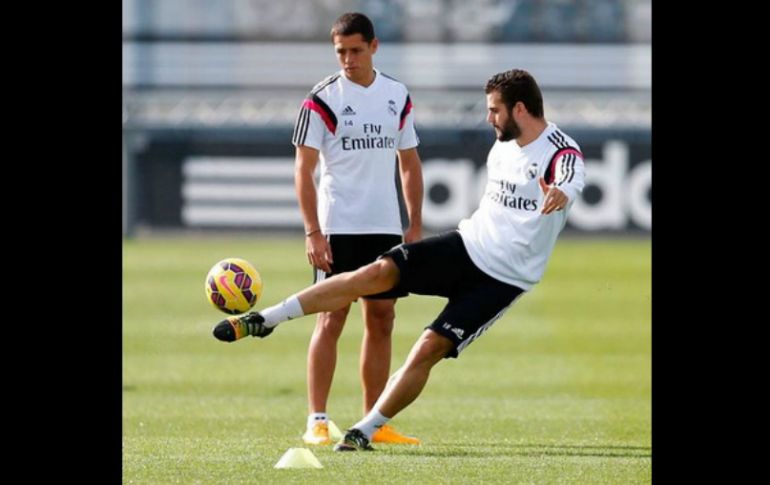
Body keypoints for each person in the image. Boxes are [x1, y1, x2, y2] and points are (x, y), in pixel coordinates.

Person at [213, 68, 585, 452]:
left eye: (494, 110)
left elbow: (569, 174)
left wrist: (560, 191)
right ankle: (266, 319)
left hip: (503, 278)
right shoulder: (502, 144)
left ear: (519, 109)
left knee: (429, 347)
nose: (489, 118)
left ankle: (366, 429)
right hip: (465, 246)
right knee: (375, 273)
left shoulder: (560, 150)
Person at [216, 13, 424, 446]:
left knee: (383, 318)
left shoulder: (396, 95)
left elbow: (409, 163)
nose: (348, 59)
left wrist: (415, 224)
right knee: (331, 317)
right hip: (339, 225)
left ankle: (374, 421)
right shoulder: (322, 99)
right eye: (340, 52)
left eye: (355, 50)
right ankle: (317, 419)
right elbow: (304, 168)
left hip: (384, 226)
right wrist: (313, 232)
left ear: (374, 47)